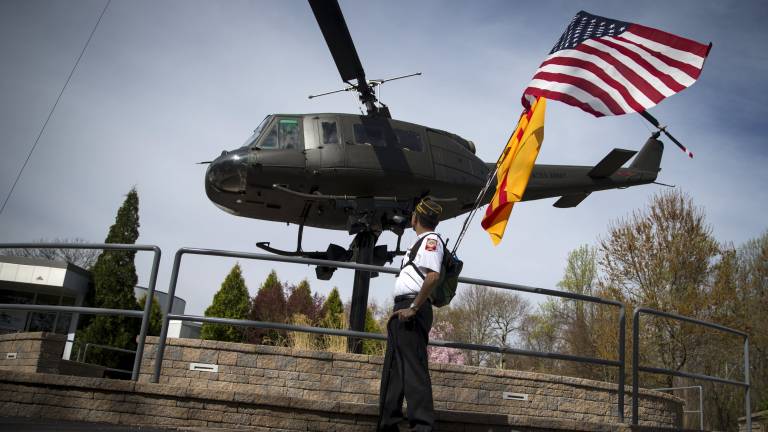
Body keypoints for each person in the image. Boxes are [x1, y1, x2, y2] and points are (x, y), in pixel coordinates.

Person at [378, 198, 443, 432]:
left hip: (412, 311)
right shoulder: (420, 242)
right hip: (403, 310)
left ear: (415, 218)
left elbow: (433, 276)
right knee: (394, 371)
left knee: (413, 371)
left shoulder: (431, 240)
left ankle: (423, 427)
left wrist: (414, 307)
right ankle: (388, 424)